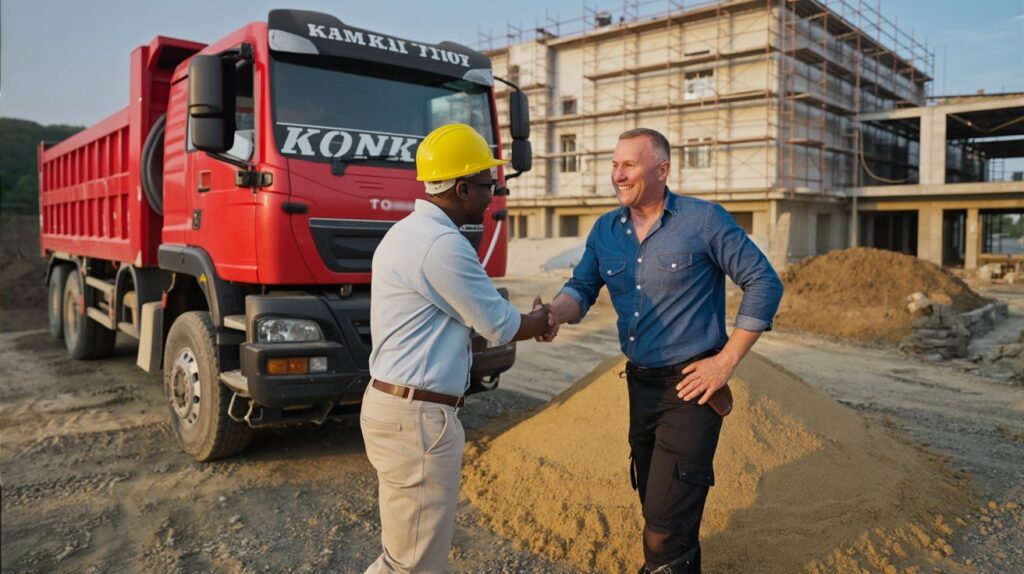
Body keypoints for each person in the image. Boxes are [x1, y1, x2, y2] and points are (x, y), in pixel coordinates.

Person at [541, 128, 784, 573]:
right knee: (661, 514)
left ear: (662, 170)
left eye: (629, 165)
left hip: (693, 389)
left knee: (663, 529)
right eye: (614, 165)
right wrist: (555, 312)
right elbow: (582, 286)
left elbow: (764, 282)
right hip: (641, 388)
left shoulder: (704, 220)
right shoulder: (605, 230)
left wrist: (724, 363)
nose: (618, 174)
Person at [361, 123, 555, 574]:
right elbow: (500, 324)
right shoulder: (443, 244)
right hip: (418, 420)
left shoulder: (405, 233)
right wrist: (542, 320)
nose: (494, 195)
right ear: (463, 188)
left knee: (402, 555)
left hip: (394, 407)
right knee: (413, 564)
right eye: (490, 185)